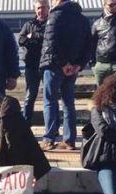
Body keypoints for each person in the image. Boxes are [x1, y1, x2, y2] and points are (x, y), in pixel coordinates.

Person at [39, 0, 91, 151]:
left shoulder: (55, 16)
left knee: (50, 101)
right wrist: (78, 65)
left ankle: (49, 138)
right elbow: (88, 45)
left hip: (55, 66)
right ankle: (69, 140)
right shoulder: (82, 19)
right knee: (68, 103)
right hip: (72, 68)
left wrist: (63, 64)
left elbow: (51, 42)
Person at [18, 0, 48, 123]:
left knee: (49, 97)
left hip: (48, 65)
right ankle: (26, 125)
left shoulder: (53, 24)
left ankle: (53, 127)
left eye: (43, 8)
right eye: (38, 8)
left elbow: (49, 39)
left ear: (48, 8)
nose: (40, 10)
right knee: (30, 96)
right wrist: (32, 38)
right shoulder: (28, 24)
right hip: (31, 65)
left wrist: (33, 36)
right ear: (35, 10)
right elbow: (21, 40)